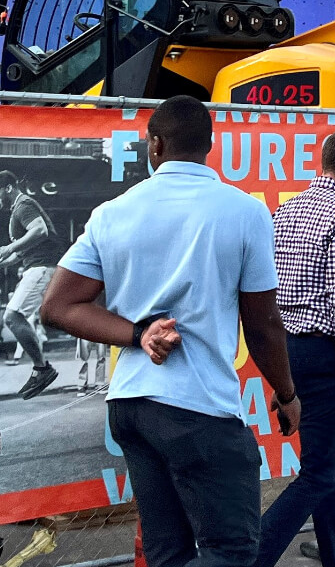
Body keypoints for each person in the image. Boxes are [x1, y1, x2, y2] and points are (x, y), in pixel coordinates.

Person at [41, 96, 301, 567]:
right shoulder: (244, 211)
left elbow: (57, 307)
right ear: (210, 146)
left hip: (132, 408)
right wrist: (285, 393)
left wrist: (137, 331)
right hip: (199, 408)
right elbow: (262, 323)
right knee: (232, 552)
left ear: (155, 145)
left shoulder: (112, 212)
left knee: (169, 554)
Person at [256, 129, 335, 567]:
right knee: (320, 472)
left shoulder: (285, 211)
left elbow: (268, 287)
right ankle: (252, 557)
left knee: (322, 465)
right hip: (325, 352)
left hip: (285, 349)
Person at [0, 170, 66, 399]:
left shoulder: (23, 205)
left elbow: (39, 230)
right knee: (14, 317)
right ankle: (41, 368)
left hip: (42, 268)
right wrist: (0, 265)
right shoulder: (18, 209)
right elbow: (26, 251)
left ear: (8, 188)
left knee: (12, 317)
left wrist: (9, 248)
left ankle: (42, 369)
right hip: (37, 265)